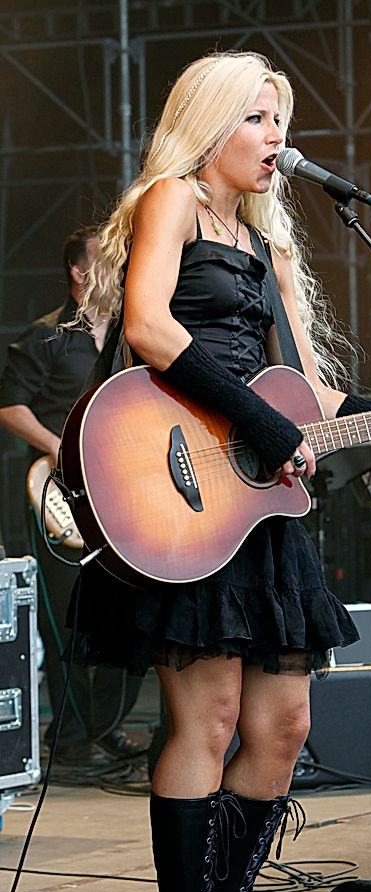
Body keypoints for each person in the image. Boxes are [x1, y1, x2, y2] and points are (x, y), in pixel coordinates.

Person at [67, 51, 371, 892]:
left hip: (258, 508)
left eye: (278, 122)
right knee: (203, 724)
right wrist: (257, 424)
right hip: (184, 487)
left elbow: (308, 397)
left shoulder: (269, 249)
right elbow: (149, 328)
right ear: (210, 122)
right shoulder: (170, 200)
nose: (275, 140)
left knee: (282, 729)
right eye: (257, 119)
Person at [0, 226, 143, 768]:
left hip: (122, 494)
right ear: (79, 273)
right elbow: (10, 406)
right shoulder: (45, 335)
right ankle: (71, 737)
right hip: (61, 493)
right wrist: (60, 448)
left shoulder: (134, 334)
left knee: (126, 610)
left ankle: (106, 726)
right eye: (107, 261)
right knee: (66, 617)